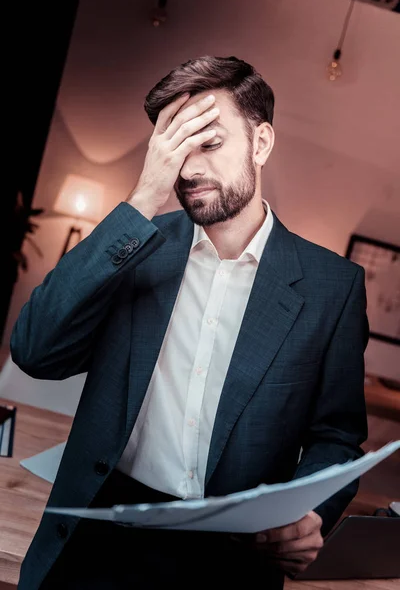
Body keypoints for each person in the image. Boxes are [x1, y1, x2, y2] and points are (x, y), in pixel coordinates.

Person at [11, 55, 369, 589]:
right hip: (93, 542)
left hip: (226, 562)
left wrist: (312, 509)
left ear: (261, 142)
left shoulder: (331, 286)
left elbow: (336, 436)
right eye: (174, 148)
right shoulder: (134, 251)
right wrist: (141, 201)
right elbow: (36, 351)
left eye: (210, 142)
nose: (189, 168)